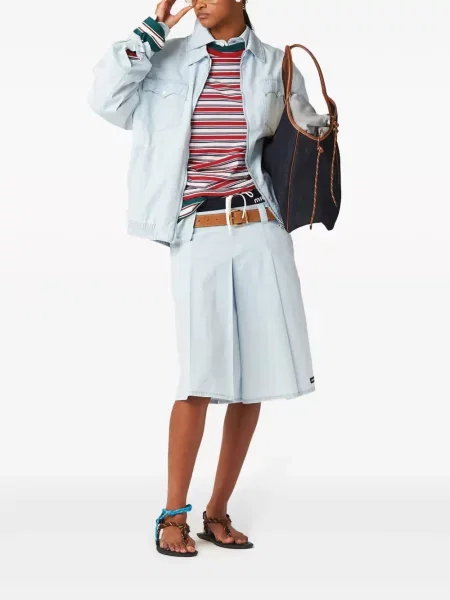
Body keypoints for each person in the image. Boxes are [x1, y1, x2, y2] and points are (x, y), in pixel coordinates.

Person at [88, 0, 320, 557]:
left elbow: (303, 131)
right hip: (198, 231)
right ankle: (173, 514)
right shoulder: (163, 58)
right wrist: (152, 31)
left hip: (261, 227)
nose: (198, 1)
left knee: (255, 375)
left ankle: (217, 511)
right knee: (199, 375)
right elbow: (105, 100)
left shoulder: (278, 64)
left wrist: (319, 131)